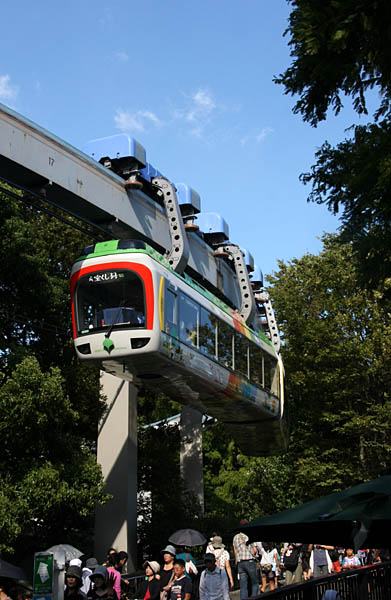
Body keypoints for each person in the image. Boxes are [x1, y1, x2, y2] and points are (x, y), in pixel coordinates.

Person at [233, 520, 259, 599]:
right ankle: (254, 597)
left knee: (243, 585)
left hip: (240, 563)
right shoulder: (249, 535)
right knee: (255, 583)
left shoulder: (236, 537)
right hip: (250, 561)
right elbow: (254, 550)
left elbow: (235, 551)